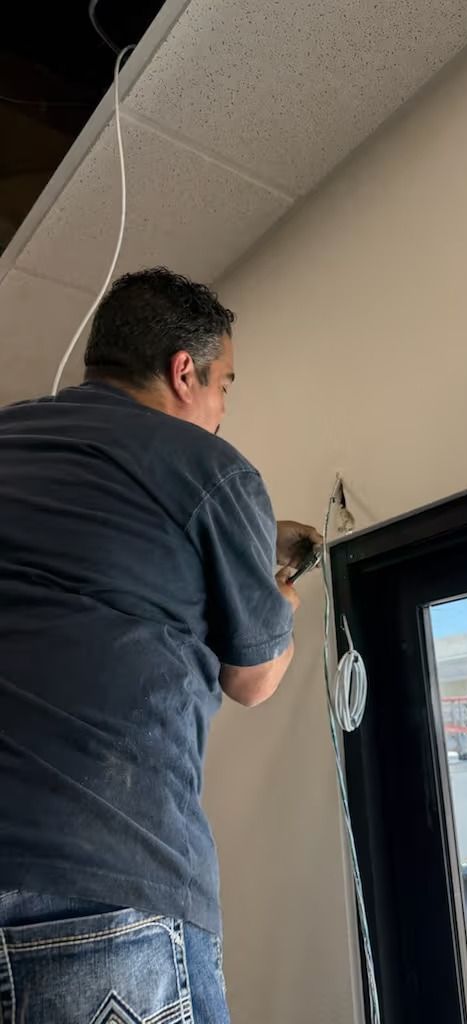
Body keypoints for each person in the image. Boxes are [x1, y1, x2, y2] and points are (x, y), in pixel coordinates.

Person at [0, 267, 321, 1022]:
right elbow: (254, 679)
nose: (219, 411)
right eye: (225, 386)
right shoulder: (211, 469)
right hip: (103, 883)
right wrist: (281, 596)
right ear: (186, 372)